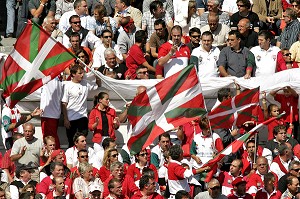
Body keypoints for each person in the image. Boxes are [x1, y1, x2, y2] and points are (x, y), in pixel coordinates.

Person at [62, 64, 98, 147]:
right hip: (71, 118)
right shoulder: (67, 85)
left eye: (83, 73)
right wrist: (65, 119)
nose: (82, 75)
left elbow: (97, 86)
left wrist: (97, 76)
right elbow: (64, 103)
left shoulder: (85, 83)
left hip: (83, 117)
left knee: (82, 141)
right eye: (80, 73)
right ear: (73, 74)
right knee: (72, 142)